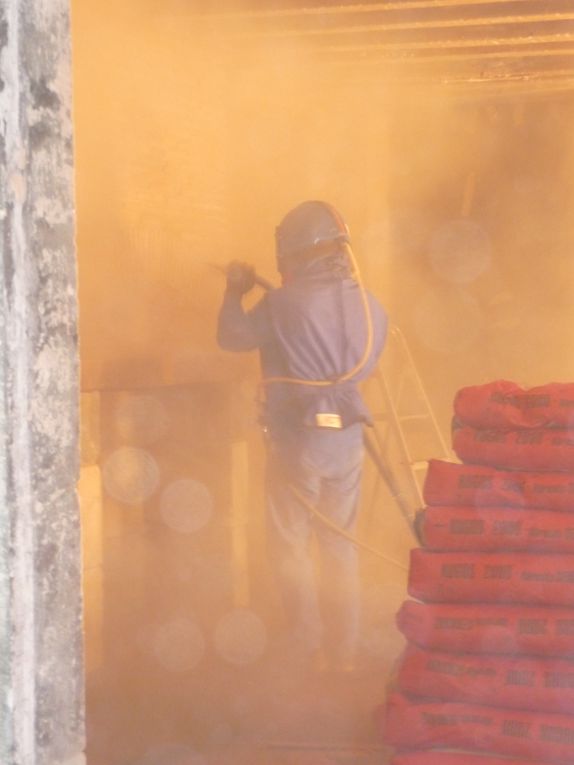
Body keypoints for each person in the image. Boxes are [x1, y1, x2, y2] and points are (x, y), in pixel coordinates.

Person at [217, 200, 388, 671]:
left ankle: (304, 645)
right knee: (340, 545)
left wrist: (234, 292)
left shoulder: (281, 304)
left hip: (300, 441)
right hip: (348, 442)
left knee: (290, 545)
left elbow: (231, 337)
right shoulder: (371, 306)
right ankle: (344, 656)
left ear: (292, 252)